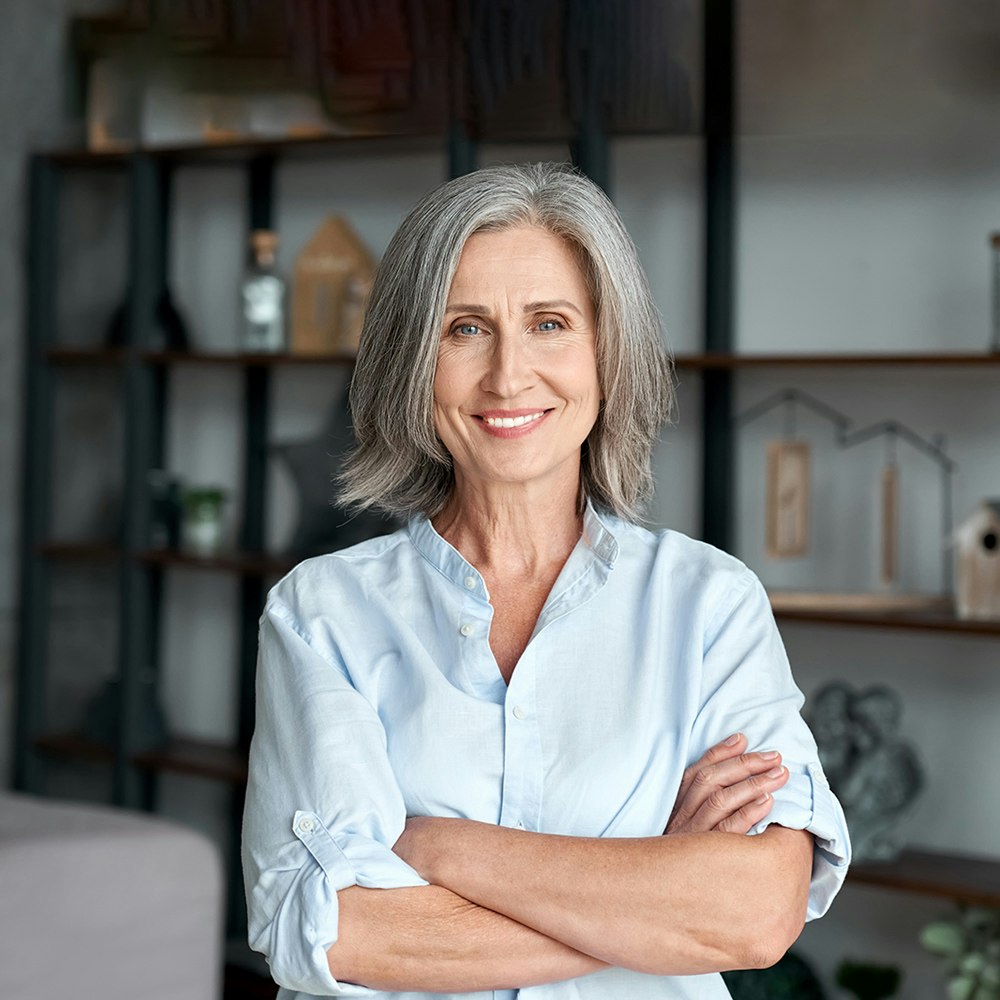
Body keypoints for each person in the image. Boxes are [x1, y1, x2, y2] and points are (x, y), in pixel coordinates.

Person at [242, 162, 851, 1000]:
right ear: (414, 362)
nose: (508, 376)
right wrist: (656, 897)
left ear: (608, 350)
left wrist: (435, 848)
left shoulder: (709, 604)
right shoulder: (322, 614)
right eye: (464, 329)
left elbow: (753, 913)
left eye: (551, 323)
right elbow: (328, 930)